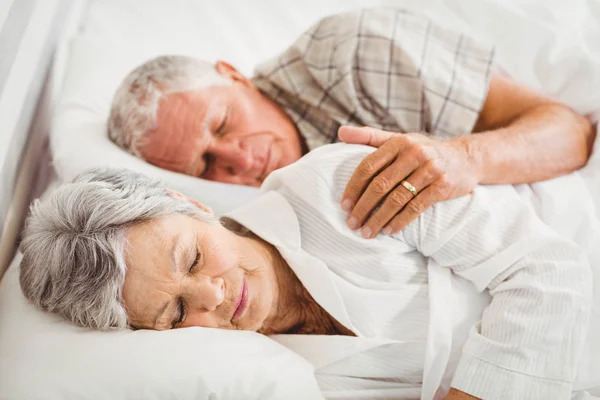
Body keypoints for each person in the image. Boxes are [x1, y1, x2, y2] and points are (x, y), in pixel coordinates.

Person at [20, 143, 593, 400]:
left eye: (192, 257)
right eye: (175, 312)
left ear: (188, 204)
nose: (213, 297)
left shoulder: (336, 186)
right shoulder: (264, 377)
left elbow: (549, 271)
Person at [107, 9, 594, 239]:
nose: (238, 159)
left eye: (222, 123)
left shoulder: (349, 54)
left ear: (233, 74)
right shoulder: (245, 217)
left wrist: (463, 157)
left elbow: (570, 131)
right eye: (205, 164)